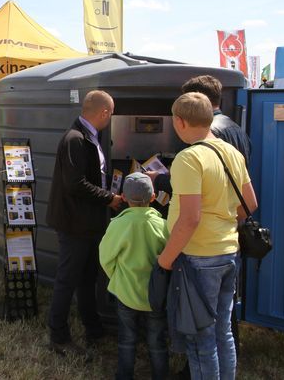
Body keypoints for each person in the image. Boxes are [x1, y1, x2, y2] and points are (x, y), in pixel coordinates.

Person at [156, 93, 258, 379]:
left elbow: (190, 219)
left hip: (198, 258)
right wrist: (223, 222)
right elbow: (250, 205)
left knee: (200, 340)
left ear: (179, 121)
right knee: (222, 332)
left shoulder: (188, 158)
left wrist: (165, 260)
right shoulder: (231, 153)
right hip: (228, 252)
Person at [47, 90, 123, 356]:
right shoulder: (75, 139)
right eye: (110, 114)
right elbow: (75, 184)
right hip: (74, 223)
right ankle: (58, 335)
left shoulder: (91, 138)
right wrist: (109, 198)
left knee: (88, 278)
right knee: (68, 279)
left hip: (89, 223)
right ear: (103, 112)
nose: (110, 118)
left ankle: (93, 328)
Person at [99, 172, 169, 380]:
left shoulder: (118, 225)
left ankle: (124, 375)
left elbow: (105, 258)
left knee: (127, 339)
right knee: (157, 340)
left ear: (124, 197)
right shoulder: (163, 225)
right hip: (156, 297)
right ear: (154, 197)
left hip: (126, 293)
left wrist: (117, 277)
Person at [181, 75, 250, 164]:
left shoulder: (205, 130)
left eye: (186, 100)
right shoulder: (238, 130)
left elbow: (198, 172)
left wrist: (159, 177)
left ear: (198, 99)